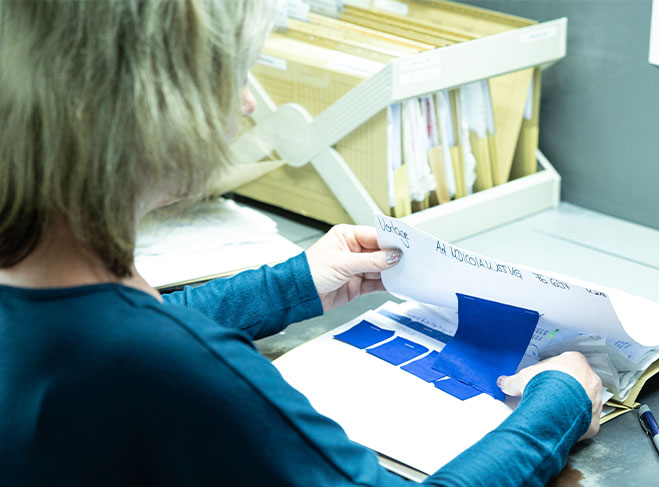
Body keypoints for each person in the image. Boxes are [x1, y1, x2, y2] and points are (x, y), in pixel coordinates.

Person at [0, 1, 602, 485]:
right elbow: (148, 349)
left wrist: (290, 285)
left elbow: (97, 329)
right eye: (231, 77)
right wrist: (555, 411)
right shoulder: (179, 365)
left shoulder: (38, 284)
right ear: (153, 107)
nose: (243, 103)